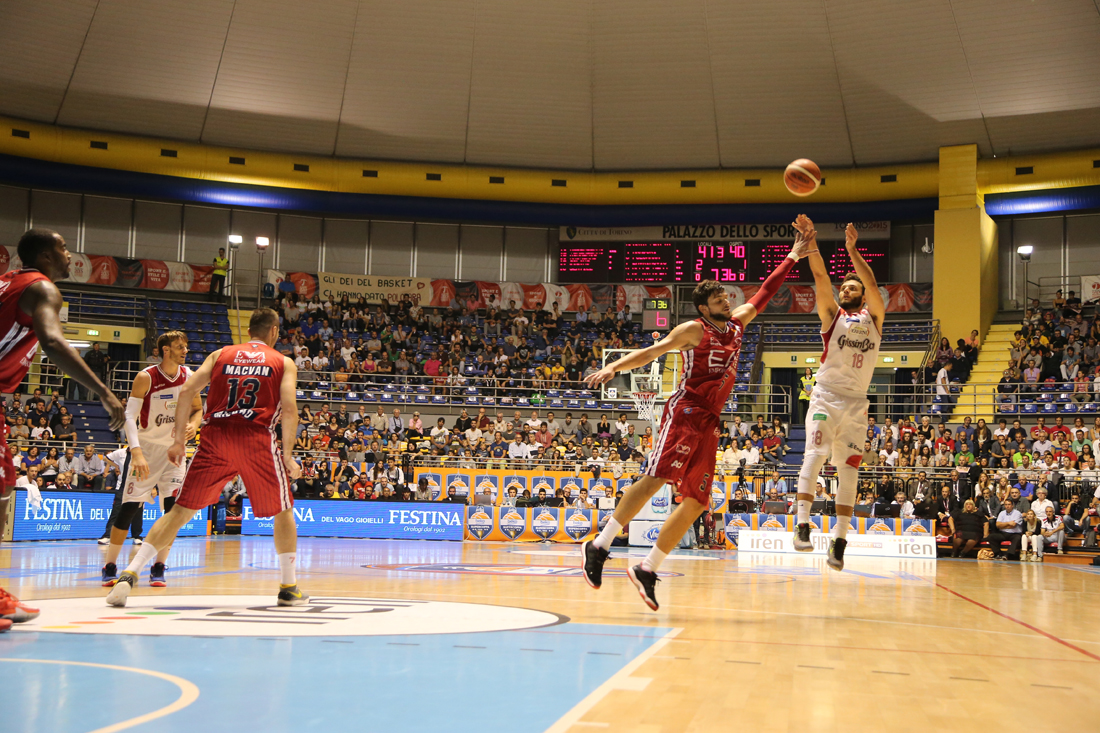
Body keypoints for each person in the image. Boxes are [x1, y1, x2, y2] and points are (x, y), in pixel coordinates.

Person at [580, 227, 813, 611]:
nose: (726, 299)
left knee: (697, 501)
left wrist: (792, 256)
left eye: (726, 295)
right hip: (685, 411)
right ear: (704, 307)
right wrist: (613, 368)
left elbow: (765, 293)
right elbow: (652, 351)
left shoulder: (737, 324)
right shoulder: (693, 329)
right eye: (719, 297)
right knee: (655, 479)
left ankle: (648, 568)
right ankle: (600, 545)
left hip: (711, 420)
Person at [106, 308, 307, 608]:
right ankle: (289, 587)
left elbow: (187, 390)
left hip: (215, 437)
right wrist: (288, 455)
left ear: (249, 330)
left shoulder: (220, 354)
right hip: (256, 437)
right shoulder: (283, 362)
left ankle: (129, 574)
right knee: (283, 509)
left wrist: (177, 440)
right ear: (274, 332)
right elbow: (289, 409)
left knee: (178, 513)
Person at [0, 229, 126, 631]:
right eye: (63, 248)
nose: (70, 254)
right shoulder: (42, 288)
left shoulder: (7, 282)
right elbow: (53, 341)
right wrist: (105, 393)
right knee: (2, 487)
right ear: (44, 255)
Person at [790, 218, 884, 571]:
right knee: (813, 456)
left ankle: (840, 542)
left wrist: (852, 251)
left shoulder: (874, 318)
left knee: (849, 472)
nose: (845, 290)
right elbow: (820, 279)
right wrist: (811, 244)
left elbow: (872, 282)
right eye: (843, 286)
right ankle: (802, 525)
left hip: (857, 404)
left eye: (851, 287)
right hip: (826, 396)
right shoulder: (832, 316)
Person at [101, 331, 205, 587]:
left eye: (186, 346)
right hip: (146, 451)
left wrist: (193, 424)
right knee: (127, 511)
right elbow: (129, 416)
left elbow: (198, 409)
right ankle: (110, 565)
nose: (185, 351)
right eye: (180, 347)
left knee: (171, 512)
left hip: (175, 452)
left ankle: (159, 566)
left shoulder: (190, 377)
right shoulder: (145, 377)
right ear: (165, 350)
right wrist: (135, 451)